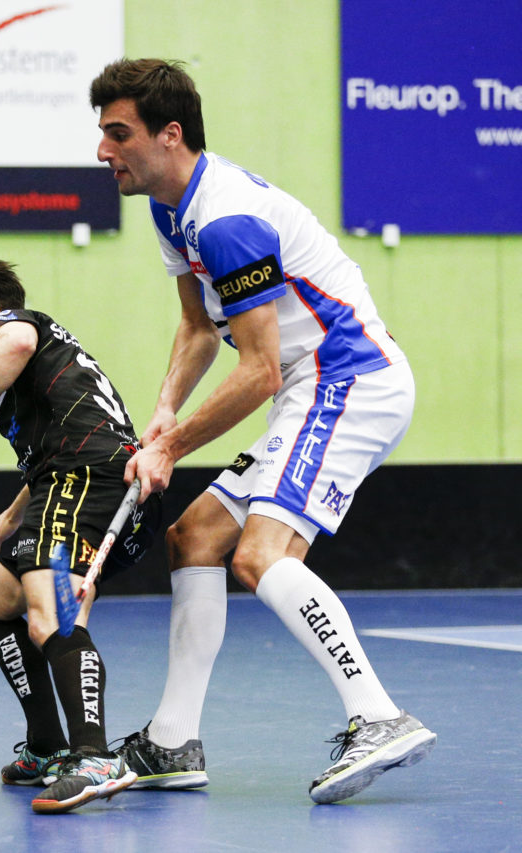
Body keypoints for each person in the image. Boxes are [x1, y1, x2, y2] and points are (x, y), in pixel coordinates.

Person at [87, 58, 436, 804]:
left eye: (118, 133)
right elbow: (196, 328)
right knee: (195, 537)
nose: (102, 151)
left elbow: (259, 373)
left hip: (347, 383)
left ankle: (377, 715)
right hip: (311, 389)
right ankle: (173, 740)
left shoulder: (226, 220)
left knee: (259, 553)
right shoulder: (170, 207)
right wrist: (163, 412)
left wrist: (168, 448)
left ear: (169, 133)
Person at [0, 255, 162, 815]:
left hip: (86, 482)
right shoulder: (24, 377)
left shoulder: (17, 327)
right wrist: (12, 513)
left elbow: (18, 345)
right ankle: (49, 745)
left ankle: (94, 756)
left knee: (51, 611)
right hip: (84, 484)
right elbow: (56, 442)